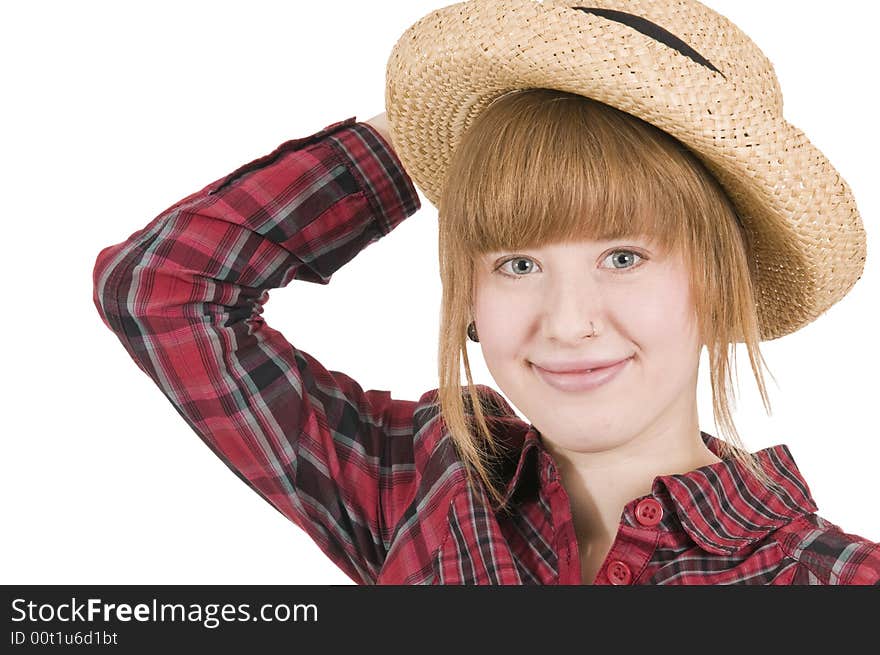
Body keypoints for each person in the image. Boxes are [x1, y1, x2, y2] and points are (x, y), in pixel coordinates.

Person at [91, 0, 879, 584]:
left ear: (718, 281)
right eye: (517, 263)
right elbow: (162, 290)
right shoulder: (423, 485)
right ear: (467, 291)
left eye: (625, 256)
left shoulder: (833, 581)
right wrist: (445, 128)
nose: (567, 323)